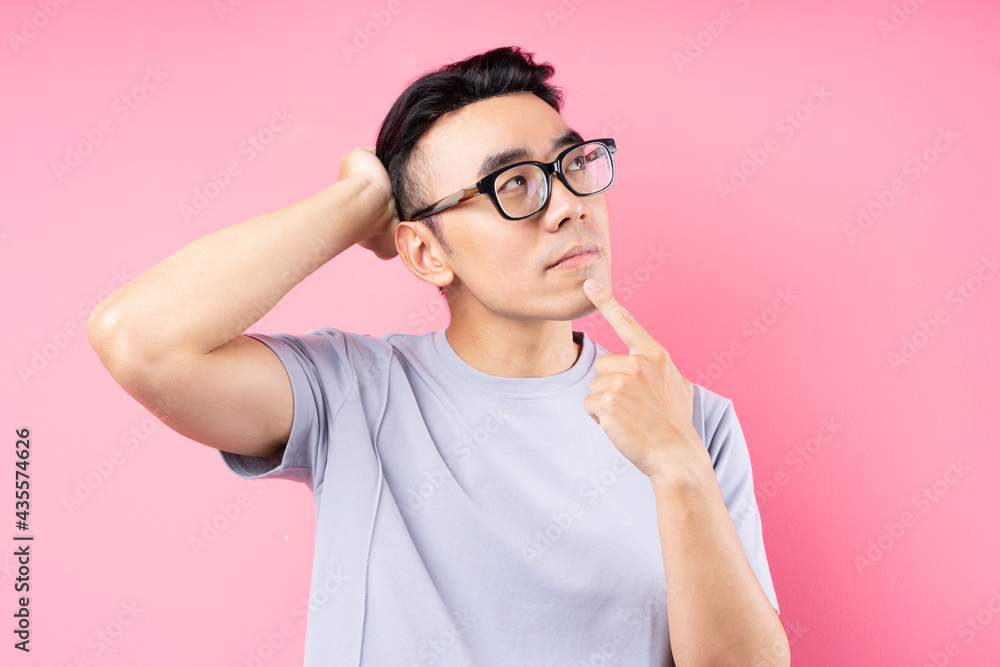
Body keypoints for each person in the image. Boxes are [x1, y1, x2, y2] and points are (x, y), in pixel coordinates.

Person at [88, 45, 789, 666]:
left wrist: (677, 463)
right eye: (514, 183)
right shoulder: (355, 392)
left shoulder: (693, 420)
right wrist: (355, 201)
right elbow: (139, 341)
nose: (570, 203)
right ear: (424, 251)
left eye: (572, 164)